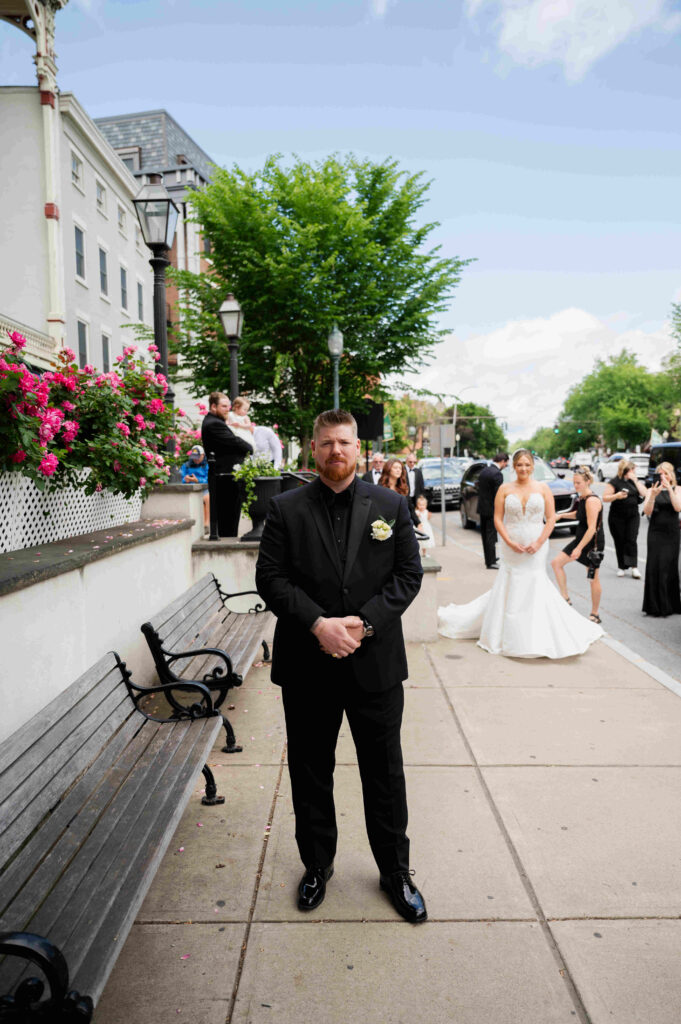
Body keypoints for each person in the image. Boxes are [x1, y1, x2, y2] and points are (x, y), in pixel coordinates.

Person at [255, 409, 427, 923]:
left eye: (345, 443)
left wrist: (364, 624)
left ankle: (396, 872)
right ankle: (316, 866)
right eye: (327, 442)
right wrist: (318, 624)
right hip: (309, 665)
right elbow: (271, 578)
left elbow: (407, 575)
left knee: (385, 774)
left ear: (359, 449)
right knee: (310, 772)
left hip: (374, 665)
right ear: (314, 448)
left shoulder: (392, 505)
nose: (336, 451)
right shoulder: (286, 508)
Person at [438, 449, 603, 657]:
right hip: (511, 544)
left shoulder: (543, 488)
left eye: (527, 464)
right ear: (513, 467)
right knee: (512, 582)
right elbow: (498, 519)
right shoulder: (505, 489)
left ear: (532, 466)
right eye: (519, 465)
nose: (523, 468)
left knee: (534, 582)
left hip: (537, 543)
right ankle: (508, 634)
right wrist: (508, 540)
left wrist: (540, 541)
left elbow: (551, 518)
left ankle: (534, 633)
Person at [551, 466, 605, 625]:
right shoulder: (582, 498)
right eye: (574, 483)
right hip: (580, 539)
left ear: (588, 482)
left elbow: (592, 528)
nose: (576, 486)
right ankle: (565, 598)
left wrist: (579, 548)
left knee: (593, 578)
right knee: (556, 563)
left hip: (592, 544)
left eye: (579, 483)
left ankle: (595, 614)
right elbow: (578, 514)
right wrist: (561, 516)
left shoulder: (592, 500)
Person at [201, 392, 254, 537]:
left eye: (228, 406)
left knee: (229, 521)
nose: (227, 409)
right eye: (223, 406)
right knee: (228, 522)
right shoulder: (214, 424)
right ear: (213, 406)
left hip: (225, 477)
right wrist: (249, 447)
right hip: (225, 479)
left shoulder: (214, 422)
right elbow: (235, 441)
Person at [641, 461, 681, 617]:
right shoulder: (651, 491)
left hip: (672, 533)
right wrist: (653, 495)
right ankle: (655, 605)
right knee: (655, 566)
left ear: (671, 475)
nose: (663, 476)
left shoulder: (677, 489)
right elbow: (647, 511)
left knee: (669, 567)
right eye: (660, 474)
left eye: (666, 473)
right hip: (656, 533)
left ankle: (671, 603)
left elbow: (678, 507)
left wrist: (669, 489)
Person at [602, 459, 646, 578]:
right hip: (617, 516)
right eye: (632, 469)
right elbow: (605, 498)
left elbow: (644, 493)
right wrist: (617, 496)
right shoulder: (614, 482)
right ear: (626, 470)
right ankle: (621, 566)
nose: (634, 471)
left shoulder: (634, 481)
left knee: (631, 540)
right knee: (620, 541)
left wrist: (635, 480)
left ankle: (634, 568)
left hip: (632, 515)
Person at [477, 453, 509, 569]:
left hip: (482, 508)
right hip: (491, 509)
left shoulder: (485, 471)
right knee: (491, 535)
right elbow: (498, 495)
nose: (506, 465)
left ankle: (489, 558)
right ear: (503, 461)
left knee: (485, 536)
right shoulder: (497, 474)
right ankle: (491, 562)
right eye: (506, 463)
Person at [378, 458, 420, 526]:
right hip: (386, 526)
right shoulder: (380, 488)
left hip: (403, 525)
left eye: (400, 468)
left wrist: (418, 523)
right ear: (388, 469)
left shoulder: (403, 487)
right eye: (395, 468)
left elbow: (410, 507)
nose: (398, 470)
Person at [180, 444, 210, 532]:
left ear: (203, 455)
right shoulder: (186, 465)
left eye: (198, 457)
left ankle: (206, 524)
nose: (195, 459)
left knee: (207, 498)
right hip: (190, 489)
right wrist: (186, 480)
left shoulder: (207, 465)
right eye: (194, 457)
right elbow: (180, 477)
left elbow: (208, 479)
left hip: (203, 489)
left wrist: (197, 480)